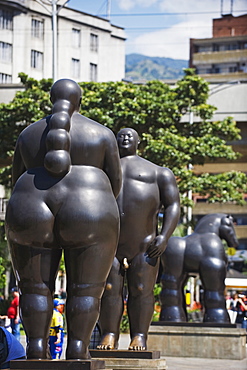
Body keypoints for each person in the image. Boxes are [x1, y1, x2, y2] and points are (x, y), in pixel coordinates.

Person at [5, 79, 122, 360]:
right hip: (91, 204)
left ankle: (35, 346)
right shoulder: (102, 133)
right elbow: (116, 183)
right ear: (80, 101)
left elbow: (15, 177)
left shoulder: (28, 134)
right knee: (85, 290)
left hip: (29, 202)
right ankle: (78, 349)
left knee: (33, 287)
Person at [98, 128, 180, 351]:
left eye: (130, 135)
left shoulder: (158, 172)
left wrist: (164, 236)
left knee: (142, 289)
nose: (124, 137)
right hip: (110, 244)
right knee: (109, 289)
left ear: (139, 141)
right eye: (120, 135)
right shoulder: (103, 171)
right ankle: (110, 333)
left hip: (144, 245)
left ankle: (140, 335)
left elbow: (173, 205)